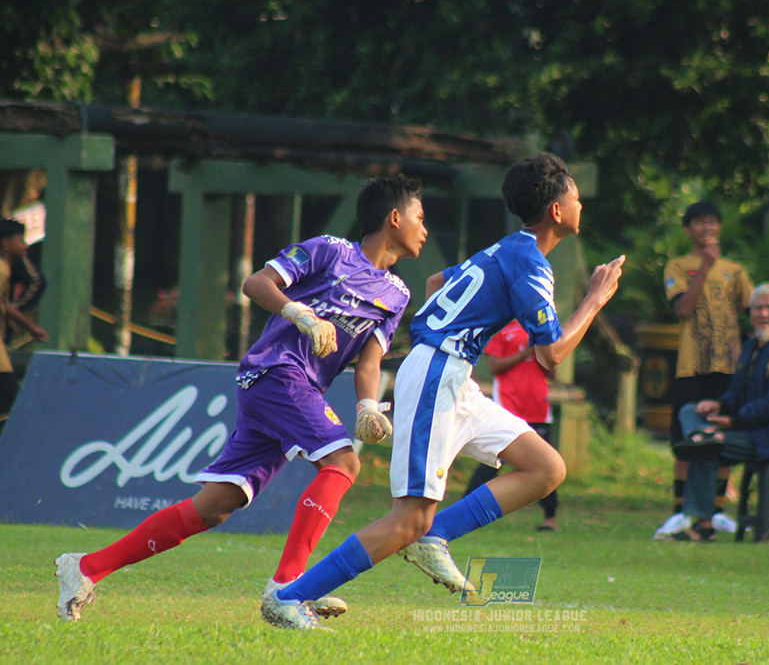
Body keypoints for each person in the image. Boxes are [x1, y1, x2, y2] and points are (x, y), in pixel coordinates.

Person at [261, 152, 624, 630]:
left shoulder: (507, 248)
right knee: (407, 518)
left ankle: (435, 537)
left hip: (453, 374)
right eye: (576, 198)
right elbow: (551, 355)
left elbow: (436, 282)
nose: (581, 205)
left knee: (545, 467)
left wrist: (462, 330)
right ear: (557, 211)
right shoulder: (531, 262)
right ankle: (289, 598)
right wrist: (595, 299)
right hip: (439, 374)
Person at [54, 174, 427, 621]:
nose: (424, 229)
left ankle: (86, 568)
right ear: (394, 217)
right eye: (420, 217)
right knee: (344, 463)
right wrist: (301, 314)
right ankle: (288, 589)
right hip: (275, 371)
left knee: (215, 507)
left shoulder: (398, 293)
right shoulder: (330, 250)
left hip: (295, 390)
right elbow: (256, 284)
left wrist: (367, 406)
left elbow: (369, 362)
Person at [667, 283, 769, 541]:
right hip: (749, 428)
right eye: (758, 308)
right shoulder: (752, 347)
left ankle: (702, 525)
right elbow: (737, 393)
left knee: (710, 447)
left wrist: (734, 422)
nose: (763, 314)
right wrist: (719, 406)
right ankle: (701, 437)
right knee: (690, 410)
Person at [653, 202, 753, 539]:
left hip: (728, 366)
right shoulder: (678, 265)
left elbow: (754, 315)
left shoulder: (735, 272)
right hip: (691, 366)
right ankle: (681, 510)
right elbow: (682, 308)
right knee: (685, 438)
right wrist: (706, 267)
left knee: (720, 434)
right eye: (699, 222)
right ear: (688, 229)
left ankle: (717, 510)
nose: (706, 227)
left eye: (712, 221)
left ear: (719, 228)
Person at [463, 319, 559, 531]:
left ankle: (550, 517)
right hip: (508, 405)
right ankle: (465, 508)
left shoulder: (539, 328)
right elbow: (494, 366)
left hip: (537, 407)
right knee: (491, 462)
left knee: (546, 461)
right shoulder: (502, 326)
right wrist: (523, 353)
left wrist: (543, 350)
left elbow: (552, 370)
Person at [0, 219, 48, 422]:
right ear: (6, 244)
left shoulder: (5, 269)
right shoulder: (1, 271)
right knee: (11, 400)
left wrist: (31, 327)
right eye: (21, 239)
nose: (26, 245)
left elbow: (5, 306)